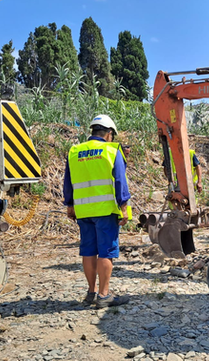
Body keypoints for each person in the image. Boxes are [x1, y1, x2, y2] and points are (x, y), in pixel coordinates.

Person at [63, 114, 131, 308]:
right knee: (106, 252)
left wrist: (70, 205)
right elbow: (119, 180)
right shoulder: (111, 150)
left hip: (83, 210)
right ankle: (104, 295)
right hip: (105, 210)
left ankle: (91, 293)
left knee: (88, 251)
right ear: (109, 134)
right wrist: (124, 207)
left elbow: (68, 181)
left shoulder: (75, 151)